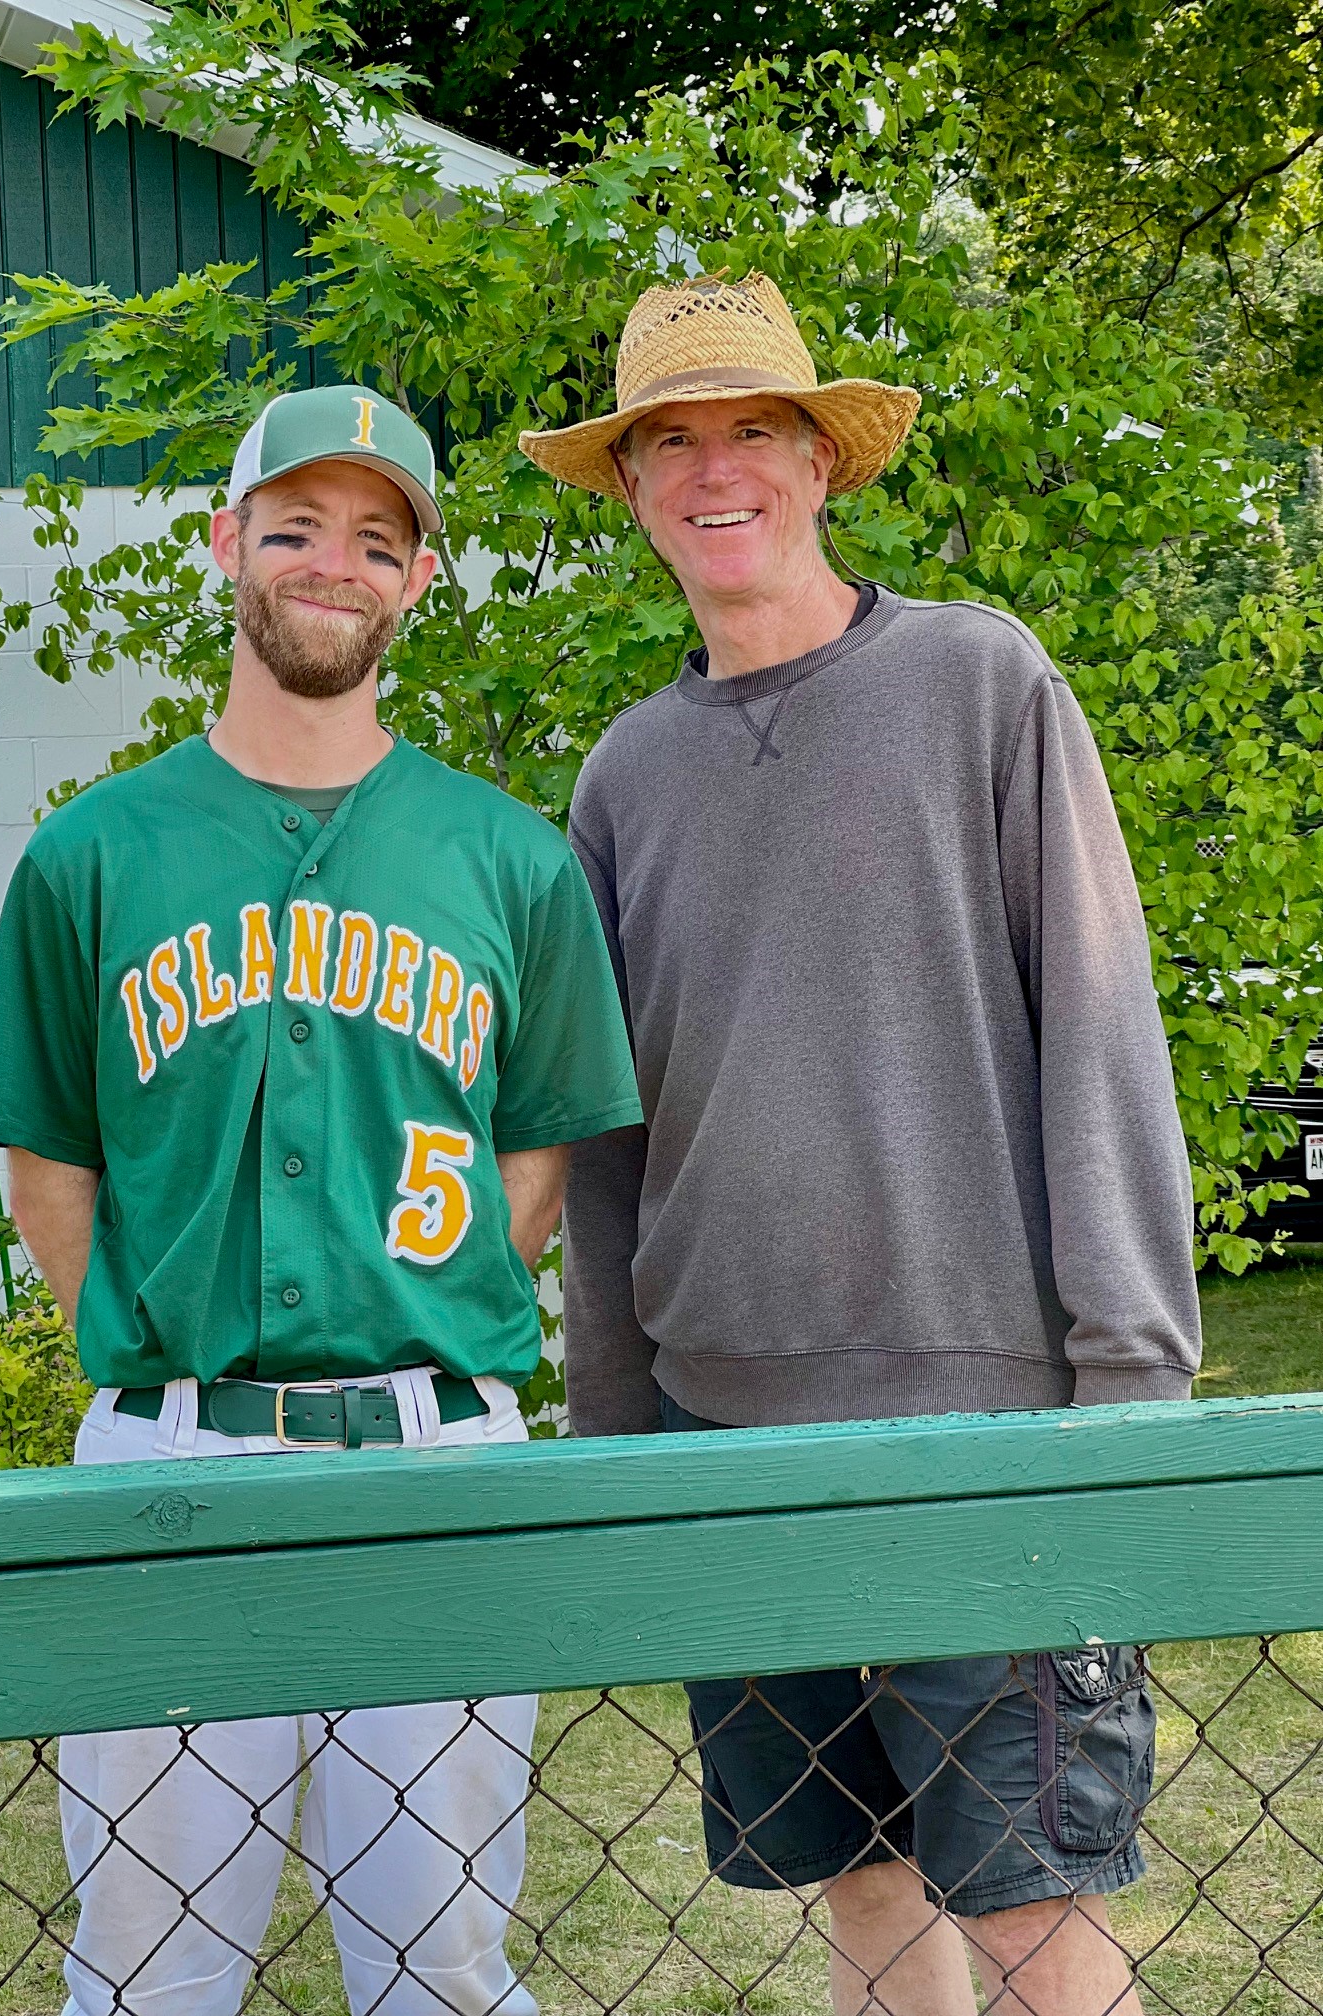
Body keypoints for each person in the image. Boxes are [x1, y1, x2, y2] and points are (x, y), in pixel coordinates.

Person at [519, 271, 1202, 2016]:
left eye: (754, 428)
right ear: (631, 489)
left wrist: (1129, 1390)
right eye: (669, 440)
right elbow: (608, 1145)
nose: (713, 468)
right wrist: (622, 1449)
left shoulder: (981, 682)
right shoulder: (622, 780)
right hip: (723, 1431)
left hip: (984, 1430)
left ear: (823, 462)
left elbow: (1105, 1027)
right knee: (869, 1888)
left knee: (1035, 1912)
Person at [0, 383, 643, 2016]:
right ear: (226, 546)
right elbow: (47, 1155)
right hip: (171, 1458)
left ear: (419, 579)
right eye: (295, 528)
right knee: (145, 1971)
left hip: (438, 1457)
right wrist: (146, 1358)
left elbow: (537, 1152)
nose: (332, 565)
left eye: (375, 538)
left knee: (443, 1970)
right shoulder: (92, 854)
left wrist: (421, 1310)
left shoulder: (510, 860)